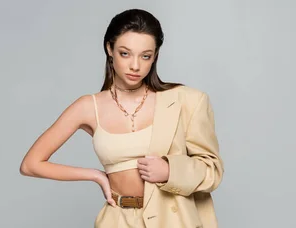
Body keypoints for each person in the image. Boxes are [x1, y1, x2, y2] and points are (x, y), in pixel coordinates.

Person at [19, 8, 224, 228]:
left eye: (146, 56)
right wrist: (95, 175)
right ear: (110, 48)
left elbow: (212, 170)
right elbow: (31, 164)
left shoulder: (187, 100)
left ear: (155, 55)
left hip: (172, 219)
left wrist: (170, 171)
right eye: (125, 53)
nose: (135, 65)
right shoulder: (89, 106)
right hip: (117, 219)